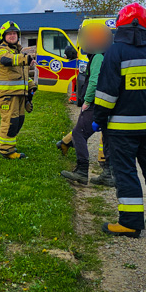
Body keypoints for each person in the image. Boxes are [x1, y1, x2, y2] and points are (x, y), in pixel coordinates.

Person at [93, 3, 146, 238]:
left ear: (120, 25)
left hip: (120, 128)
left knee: (126, 172)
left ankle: (130, 222)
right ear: (145, 25)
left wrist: (99, 119)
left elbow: (107, 93)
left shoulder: (115, 52)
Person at [60, 22, 113, 185]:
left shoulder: (97, 56)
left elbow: (95, 80)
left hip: (97, 101)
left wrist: (87, 101)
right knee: (108, 136)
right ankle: (109, 174)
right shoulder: (107, 53)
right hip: (108, 101)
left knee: (79, 134)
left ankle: (82, 172)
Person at [0, 21, 36, 159]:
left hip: (18, 95)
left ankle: (0, 144)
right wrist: (26, 58)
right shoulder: (2, 51)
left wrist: (30, 85)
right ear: (3, 36)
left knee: (18, 120)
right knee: (10, 122)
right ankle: (7, 150)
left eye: (14, 33)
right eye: (9, 34)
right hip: (7, 95)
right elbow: (7, 60)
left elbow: (21, 75)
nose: (12, 36)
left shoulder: (18, 52)